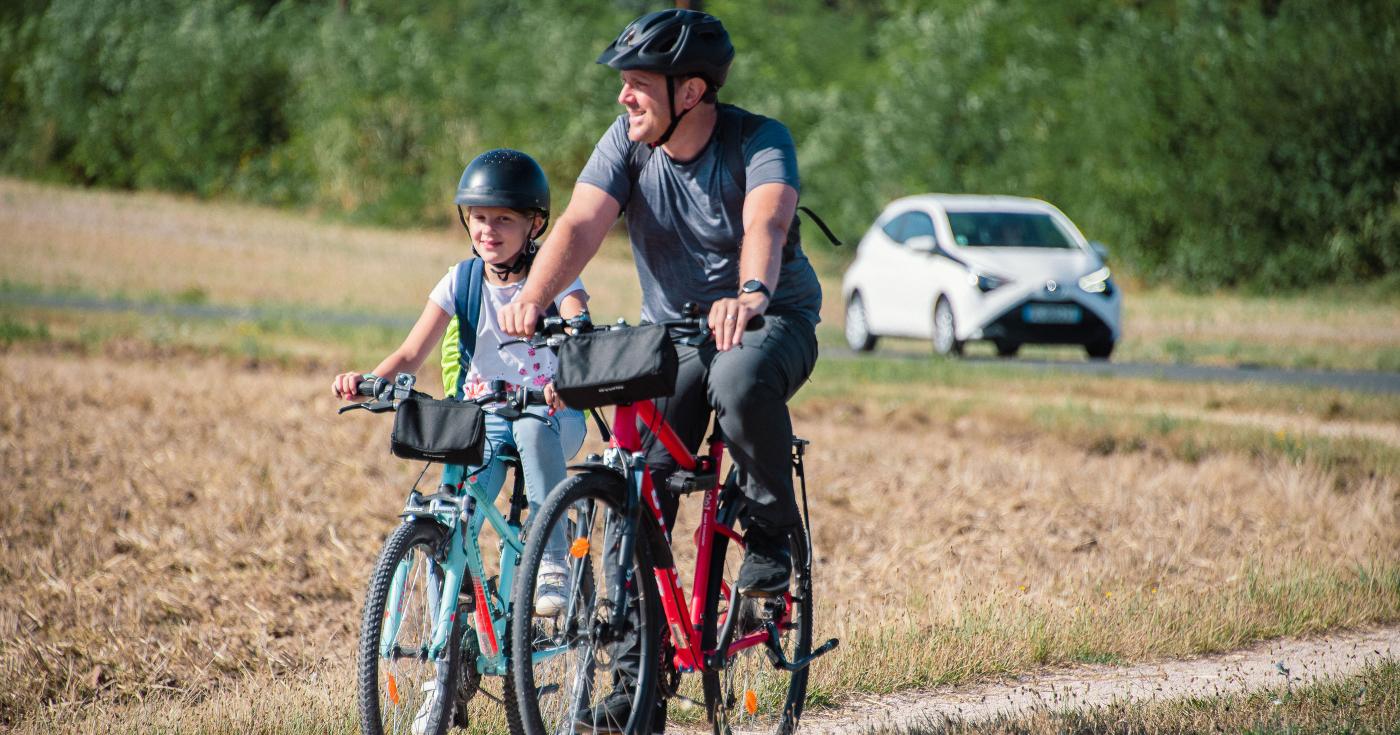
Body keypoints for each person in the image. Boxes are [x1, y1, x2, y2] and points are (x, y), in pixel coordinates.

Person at [496, 10, 822, 730]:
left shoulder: (759, 140)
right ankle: (635, 678)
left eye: (639, 84)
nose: (623, 98)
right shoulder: (628, 143)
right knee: (632, 480)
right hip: (672, 336)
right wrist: (532, 295)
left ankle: (770, 535)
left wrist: (750, 295)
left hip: (769, 322)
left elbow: (765, 224)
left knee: (737, 382)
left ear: (692, 91)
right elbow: (581, 222)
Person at [333, 149, 589, 618]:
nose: (488, 230)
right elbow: (412, 352)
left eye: (504, 219)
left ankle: (553, 558)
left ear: (535, 224)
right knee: (458, 510)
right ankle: (456, 619)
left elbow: (580, 332)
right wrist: (369, 380)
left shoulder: (555, 275)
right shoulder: (463, 279)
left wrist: (570, 380)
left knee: (532, 431)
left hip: (554, 414)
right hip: (486, 420)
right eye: (479, 217)